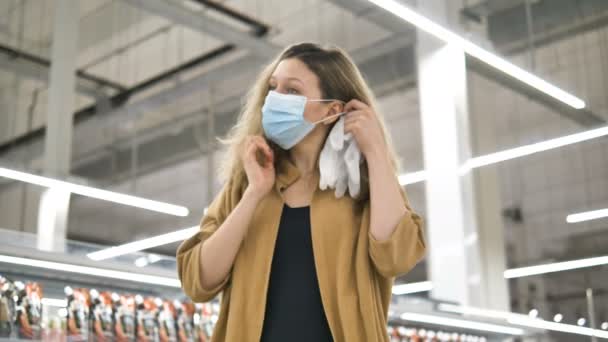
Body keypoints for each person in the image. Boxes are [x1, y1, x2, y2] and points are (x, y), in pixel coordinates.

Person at [177, 42, 426, 342]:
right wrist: (255, 193)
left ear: (333, 110)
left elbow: (396, 257)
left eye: (292, 91)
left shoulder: (364, 187)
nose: (274, 99)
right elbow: (198, 281)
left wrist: (376, 152)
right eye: (273, 88)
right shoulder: (247, 182)